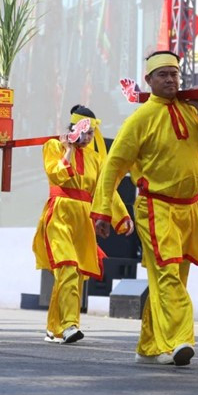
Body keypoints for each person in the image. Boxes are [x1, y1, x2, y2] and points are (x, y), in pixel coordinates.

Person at [93, 51, 198, 366]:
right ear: (148, 80)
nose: (170, 80)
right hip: (156, 208)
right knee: (167, 274)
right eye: (162, 75)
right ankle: (181, 338)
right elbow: (113, 167)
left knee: (173, 276)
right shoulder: (140, 119)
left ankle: (150, 345)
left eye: (174, 74)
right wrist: (102, 210)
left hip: (190, 208)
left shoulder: (192, 111)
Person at [34, 106, 133, 344]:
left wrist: (121, 217)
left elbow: (105, 189)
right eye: (82, 132)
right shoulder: (53, 147)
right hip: (59, 213)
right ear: (70, 129)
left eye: (91, 133)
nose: (87, 138)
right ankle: (69, 326)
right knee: (67, 267)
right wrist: (67, 150)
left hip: (84, 218)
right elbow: (57, 175)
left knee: (75, 274)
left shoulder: (95, 159)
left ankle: (55, 328)